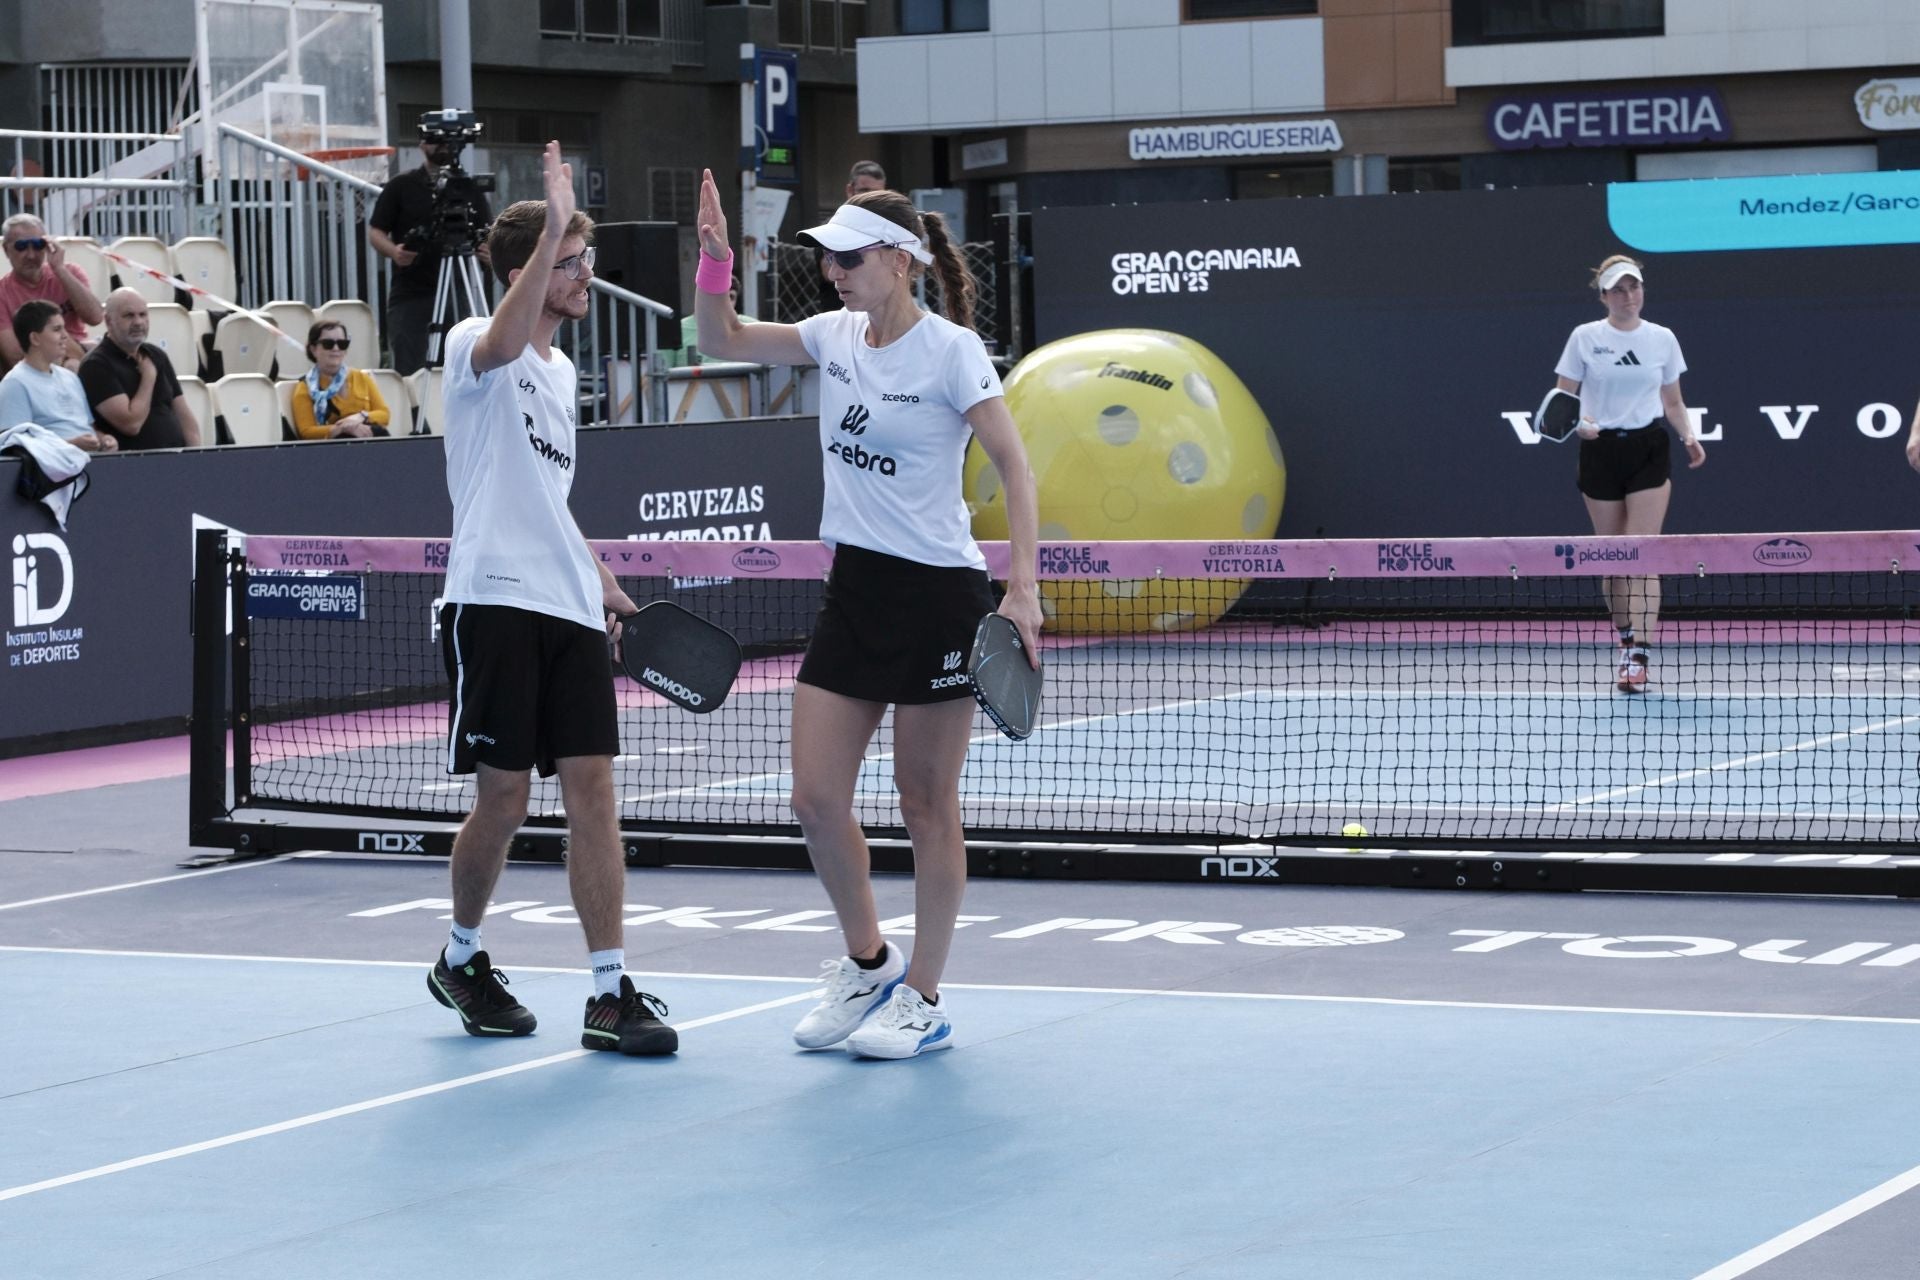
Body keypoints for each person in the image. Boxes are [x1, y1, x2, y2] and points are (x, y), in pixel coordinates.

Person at [694, 167, 1043, 1060]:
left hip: (938, 595)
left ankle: (923, 997)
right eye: (828, 259)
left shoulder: (953, 352)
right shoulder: (833, 335)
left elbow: (1015, 466)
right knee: (815, 796)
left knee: (926, 801)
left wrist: (1023, 587)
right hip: (855, 590)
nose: (835, 272)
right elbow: (724, 335)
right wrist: (715, 264)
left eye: (850, 258)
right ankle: (868, 963)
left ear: (898, 259)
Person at [425, 142, 676, 1058]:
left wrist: (596, 576)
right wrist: (551, 219)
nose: (587, 275)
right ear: (531, 269)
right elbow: (502, 336)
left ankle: (609, 990)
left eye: (583, 259)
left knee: (594, 792)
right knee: (503, 800)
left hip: (565, 604)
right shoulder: (470, 348)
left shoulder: (567, 376)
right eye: (572, 260)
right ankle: (460, 957)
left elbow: (547, 493)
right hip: (491, 600)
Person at [1552, 255, 1705, 693]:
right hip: (1599, 450)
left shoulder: (1662, 339)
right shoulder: (1585, 337)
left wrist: (1688, 436)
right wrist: (1581, 425)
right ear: (1603, 296)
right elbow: (1563, 400)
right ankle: (1624, 642)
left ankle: (1639, 654)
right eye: (1618, 289)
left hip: (1647, 449)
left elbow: (1673, 401)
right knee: (1612, 558)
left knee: (1642, 554)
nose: (1628, 296)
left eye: (1634, 287)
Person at [367, 130, 494, 375]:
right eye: (435, 140)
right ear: (421, 144)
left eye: (448, 141)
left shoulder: (468, 188)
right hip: (410, 293)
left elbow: (487, 232)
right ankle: (414, 414)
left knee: (459, 368)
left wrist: (491, 253)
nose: (443, 146)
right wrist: (394, 252)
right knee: (410, 369)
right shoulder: (401, 185)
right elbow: (376, 231)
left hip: (457, 291)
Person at [78, 288, 201, 450]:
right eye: (129, 315)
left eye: (143, 315)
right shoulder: (96, 365)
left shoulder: (156, 355)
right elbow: (131, 424)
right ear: (108, 321)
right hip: (135, 465)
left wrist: (196, 455)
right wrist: (148, 377)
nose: (138, 322)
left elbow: (184, 417)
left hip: (177, 460)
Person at [0, 299, 115, 452]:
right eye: (56, 329)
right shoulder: (15, 383)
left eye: (64, 329)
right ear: (34, 338)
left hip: (91, 467)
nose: (65, 336)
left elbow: (86, 427)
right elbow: (15, 446)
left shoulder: (71, 378)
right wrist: (70, 445)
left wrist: (104, 440)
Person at [0, 215, 104, 372]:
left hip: (77, 356)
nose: (31, 255)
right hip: (34, 369)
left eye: (37, 245)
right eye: (21, 246)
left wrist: (60, 270)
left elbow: (95, 317)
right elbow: (14, 355)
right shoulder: (3, 292)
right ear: (6, 250)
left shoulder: (70, 272)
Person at [812, 160, 891, 315]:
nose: (871, 198)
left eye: (877, 193)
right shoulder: (834, 226)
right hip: (839, 315)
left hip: (878, 317)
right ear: (850, 190)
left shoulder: (887, 228)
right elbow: (830, 272)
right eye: (865, 191)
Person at [290, 320, 391, 439]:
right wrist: (344, 428)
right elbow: (307, 431)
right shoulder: (305, 387)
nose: (336, 348)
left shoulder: (362, 377)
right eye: (328, 344)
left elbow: (384, 414)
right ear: (313, 349)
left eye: (342, 344)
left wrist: (360, 417)